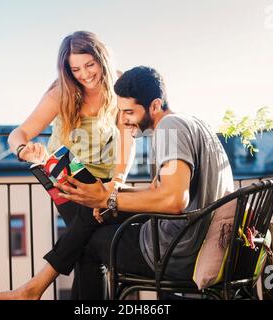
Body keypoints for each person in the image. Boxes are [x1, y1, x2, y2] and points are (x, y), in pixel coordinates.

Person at [0, 31, 135, 300]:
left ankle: (32, 290)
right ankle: (31, 290)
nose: (84, 75)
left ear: (102, 60)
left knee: (89, 249)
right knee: (89, 236)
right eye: (75, 69)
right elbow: (18, 133)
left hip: (104, 181)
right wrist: (23, 149)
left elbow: (126, 140)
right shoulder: (60, 93)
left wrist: (116, 183)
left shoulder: (120, 87)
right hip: (63, 176)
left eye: (90, 65)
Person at [56, 66, 234, 299]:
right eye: (120, 112)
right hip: (196, 243)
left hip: (177, 253)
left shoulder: (170, 128)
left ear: (155, 105)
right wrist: (113, 194)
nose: (123, 120)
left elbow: (174, 201)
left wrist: (107, 198)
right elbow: (165, 191)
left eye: (129, 111)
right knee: (99, 221)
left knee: (89, 245)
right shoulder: (195, 125)